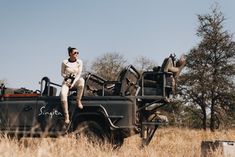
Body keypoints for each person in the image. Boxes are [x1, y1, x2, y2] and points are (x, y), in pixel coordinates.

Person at [60, 46, 85, 124]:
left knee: (82, 81)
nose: (76, 54)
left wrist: (73, 83)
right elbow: (62, 73)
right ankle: (66, 116)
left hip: (75, 81)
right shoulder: (64, 62)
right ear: (70, 53)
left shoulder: (79, 62)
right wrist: (66, 78)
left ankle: (78, 100)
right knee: (63, 95)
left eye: (77, 53)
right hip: (66, 82)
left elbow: (79, 74)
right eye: (75, 53)